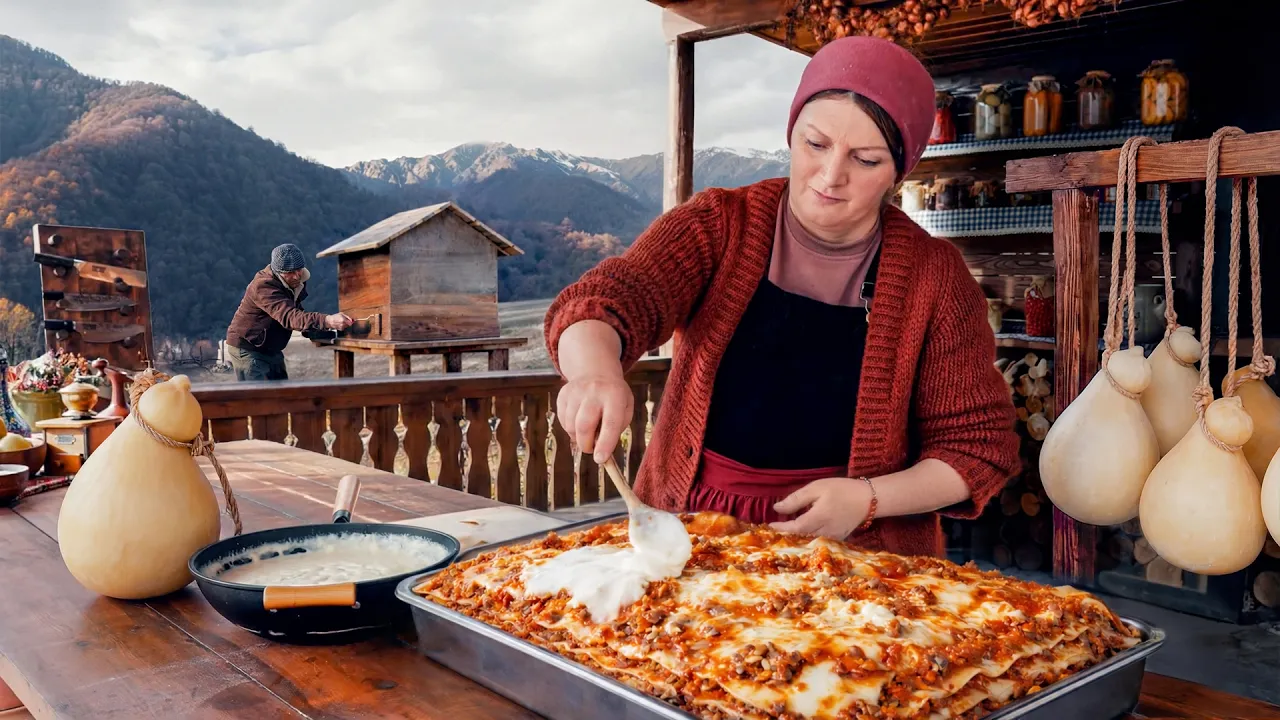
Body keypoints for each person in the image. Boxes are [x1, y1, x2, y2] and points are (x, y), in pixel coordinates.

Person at [544, 36, 1020, 558]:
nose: (831, 175)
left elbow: (977, 447)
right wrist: (593, 372)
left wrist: (868, 499)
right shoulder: (718, 225)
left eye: (865, 160)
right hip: (689, 535)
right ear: (792, 133)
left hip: (862, 559)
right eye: (816, 144)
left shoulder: (936, 277)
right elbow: (606, 300)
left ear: (898, 172)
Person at [224, 243, 352, 381]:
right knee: (258, 393)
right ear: (278, 272)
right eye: (290, 272)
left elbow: (296, 311)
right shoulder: (262, 286)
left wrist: (321, 332)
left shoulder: (296, 282)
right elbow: (290, 316)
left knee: (283, 390)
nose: (296, 276)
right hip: (247, 347)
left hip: (271, 346)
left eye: (299, 270)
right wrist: (328, 320)